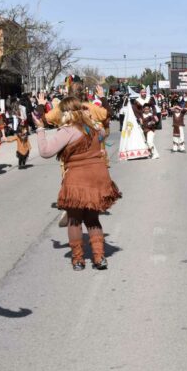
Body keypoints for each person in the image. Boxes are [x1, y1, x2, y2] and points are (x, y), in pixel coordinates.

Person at [32, 96, 121, 270]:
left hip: (78, 178)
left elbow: (45, 152)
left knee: (74, 219)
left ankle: (78, 259)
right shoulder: (94, 128)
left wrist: (40, 129)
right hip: (98, 176)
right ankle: (99, 257)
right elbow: (103, 134)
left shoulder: (67, 131)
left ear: (66, 112)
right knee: (93, 218)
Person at [132, 86, 160, 159]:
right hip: (142, 119)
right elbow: (135, 111)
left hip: (150, 119)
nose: (144, 93)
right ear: (140, 93)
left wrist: (155, 115)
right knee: (145, 140)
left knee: (149, 140)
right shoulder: (137, 101)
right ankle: (153, 153)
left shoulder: (149, 99)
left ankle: (154, 153)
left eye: (145, 92)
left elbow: (154, 108)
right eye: (142, 92)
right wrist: (139, 118)